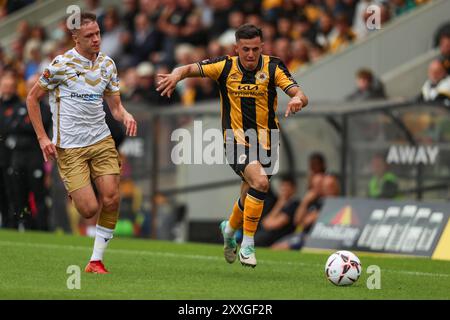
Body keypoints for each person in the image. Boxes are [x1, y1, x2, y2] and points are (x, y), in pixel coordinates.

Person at [156, 24, 308, 268]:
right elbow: (188, 68)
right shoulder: (224, 66)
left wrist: (298, 100)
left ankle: (230, 228)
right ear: (236, 48)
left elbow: (299, 93)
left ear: (262, 48)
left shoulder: (273, 66)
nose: (250, 55)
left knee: (249, 193)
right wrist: (176, 75)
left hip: (268, 142)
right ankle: (247, 243)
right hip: (234, 141)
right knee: (261, 182)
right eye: (245, 49)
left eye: (255, 49)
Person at [26, 12, 137, 274]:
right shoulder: (60, 65)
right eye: (89, 36)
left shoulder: (108, 65)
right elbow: (32, 99)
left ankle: (96, 260)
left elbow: (115, 106)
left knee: (111, 198)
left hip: (101, 140)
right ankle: (76, 188)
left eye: (98, 33)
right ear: (76, 37)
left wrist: (125, 115)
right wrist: (43, 137)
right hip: (71, 147)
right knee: (88, 209)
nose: (97, 39)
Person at [7, 72, 51, 230]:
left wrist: (24, 126)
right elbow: (10, 126)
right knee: (19, 194)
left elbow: (35, 126)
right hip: (18, 157)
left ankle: (42, 227)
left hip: (35, 156)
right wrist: (25, 126)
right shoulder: (18, 106)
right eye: (29, 85)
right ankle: (25, 226)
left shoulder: (45, 108)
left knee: (39, 194)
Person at [254, 175, 300, 247]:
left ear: (293, 188)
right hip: (269, 235)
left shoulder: (294, 204)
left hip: (283, 236)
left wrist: (269, 222)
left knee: (258, 239)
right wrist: (279, 204)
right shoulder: (278, 203)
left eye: (287, 186)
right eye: (283, 186)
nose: (284, 189)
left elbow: (278, 223)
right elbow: (264, 222)